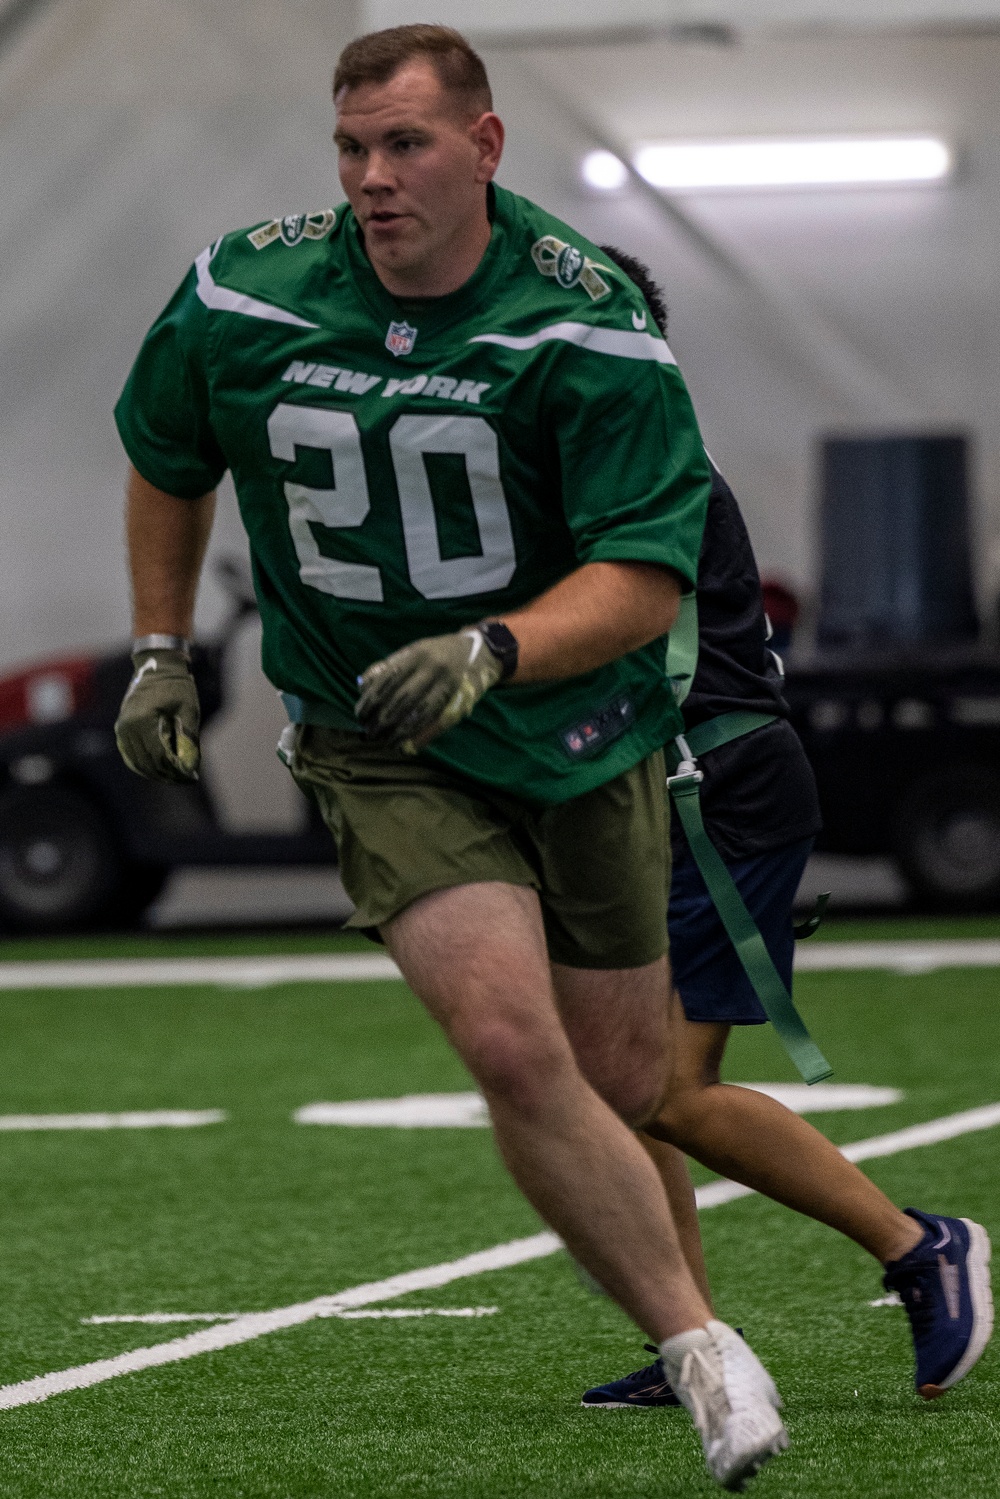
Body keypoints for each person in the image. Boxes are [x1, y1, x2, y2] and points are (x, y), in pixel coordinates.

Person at [111, 23, 789, 1490]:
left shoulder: (589, 320)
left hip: (576, 731)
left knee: (621, 1079)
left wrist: (492, 647)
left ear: (484, 148)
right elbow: (171, 453)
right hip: (379, 739)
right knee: (502, 1038)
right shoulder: (245, 287)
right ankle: (702, 1348)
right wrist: (162, 642)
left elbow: (645, 575)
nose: (372, 178)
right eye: (352, 148)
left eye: (406, 145)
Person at [579, 249, 993, 1412]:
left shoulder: (639, 453)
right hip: (665, 779)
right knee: (624, 1081)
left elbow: (599, 637)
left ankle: (921, 1243)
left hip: (713, 784)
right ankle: (689, 1335)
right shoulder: (606, 446)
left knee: (671, 1089)